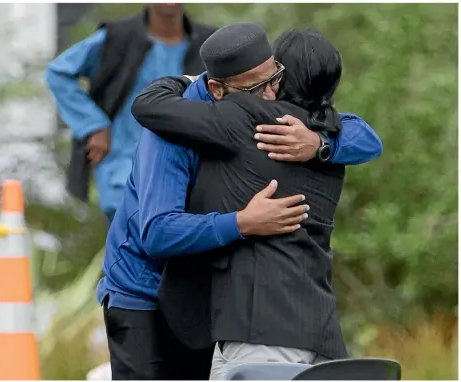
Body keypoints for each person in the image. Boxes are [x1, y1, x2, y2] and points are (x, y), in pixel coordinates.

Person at [100, 23, 382, 380]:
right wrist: (242, 222)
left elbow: (364, 135)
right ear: (217, 89)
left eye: (275, 78)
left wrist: (322, 144)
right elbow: (157, 232)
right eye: (255, 88)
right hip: (144, 295)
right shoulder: (171, 130)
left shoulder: (270, 116)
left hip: (209, 297)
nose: (270, 96)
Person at [46, 4, 216, 224]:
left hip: (188, 174)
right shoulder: (116, 38)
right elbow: (59, 73)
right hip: (123, 167)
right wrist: (94, 124)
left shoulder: (209, 43)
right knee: (132, 244)